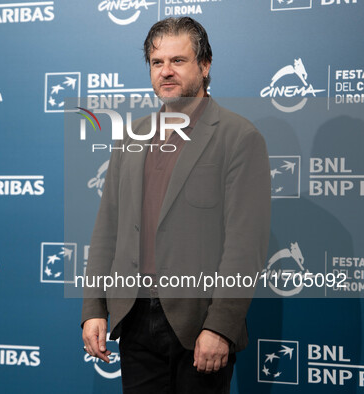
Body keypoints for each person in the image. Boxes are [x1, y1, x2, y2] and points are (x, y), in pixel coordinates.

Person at [81, 17, 271, 393]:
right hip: (133, 320)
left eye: (178, 61)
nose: (166, 71)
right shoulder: (131, 137)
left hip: (198, 324)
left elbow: (244, 245)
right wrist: (94, 308)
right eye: (157, 62)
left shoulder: (239, 137)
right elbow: (107, 229)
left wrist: (220, 326)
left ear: (205, 65)